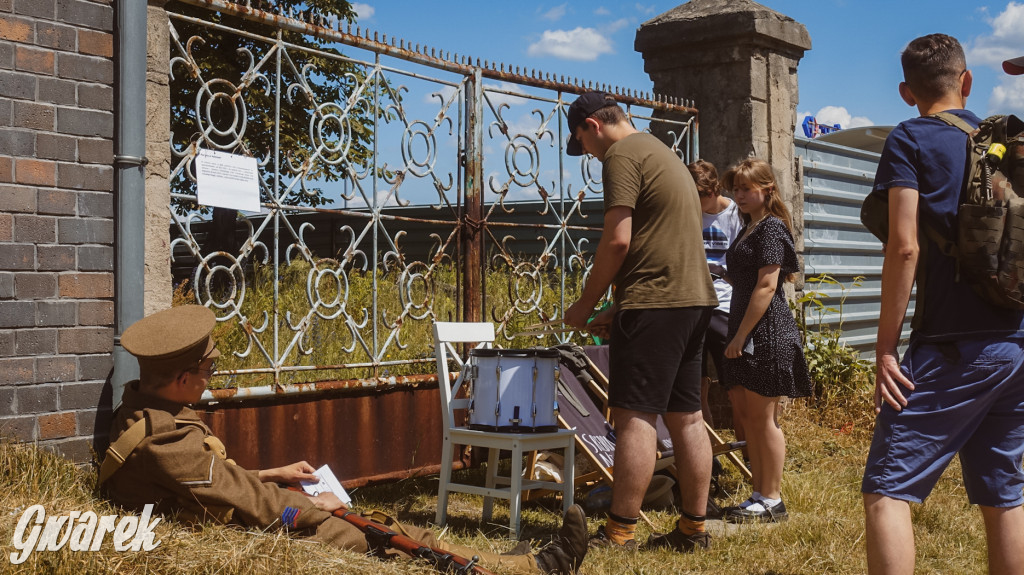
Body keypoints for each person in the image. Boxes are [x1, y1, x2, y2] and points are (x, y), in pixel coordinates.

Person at [101, 304, 588, 575]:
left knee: (381, 527)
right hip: (231, 530)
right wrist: (320, 510)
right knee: (375, 531)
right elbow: (248, 501)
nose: (211, 377)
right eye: (208, 369)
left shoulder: (145, 412)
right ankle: (531, 570)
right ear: (183, 377)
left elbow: (212, 482)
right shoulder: (167, 441)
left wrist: (274, 473)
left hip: (218, 512)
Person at [862, 33, 1024, 575]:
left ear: (907, 92)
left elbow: (903, 246)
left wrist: (886, 349)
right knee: (1004, 496)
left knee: (887, 490)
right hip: (1016, 343)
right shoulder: (1007, 143)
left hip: (953, 346)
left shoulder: (910, 139)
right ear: (967, 81)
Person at [562, 91, 719, 552]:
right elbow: (663, 238)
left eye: (581, 143)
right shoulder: (661, 152)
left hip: (657, 303)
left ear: (592, 125)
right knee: (688, 417)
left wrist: (585, 304)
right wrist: (619, 305)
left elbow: (618, 241)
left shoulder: (621, 155)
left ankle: (620, 532)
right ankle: (693, 530)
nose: (587, 154)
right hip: (691, 301)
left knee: (633, 416)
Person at [718, 158, 811, 524]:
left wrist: (741, 335)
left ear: (767, 189)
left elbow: (768, 285)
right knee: (749, 417)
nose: (739, 195)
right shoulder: (748, 227)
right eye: (736, 189)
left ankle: (773, 499)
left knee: (763, 418)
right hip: (744, 331)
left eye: (746, 188)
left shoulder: (771, 228)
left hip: (764, 334)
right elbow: (749, 276)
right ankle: (759, 493)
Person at [688, 159, 746, 447]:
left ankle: (750, 459)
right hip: (693, 307)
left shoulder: (737, 214)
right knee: (695, 391)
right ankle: (708, 458)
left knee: (737, 390)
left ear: (711, 191)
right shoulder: (687, 212)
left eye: (695, 195)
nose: (691, 200)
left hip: (725, 308)